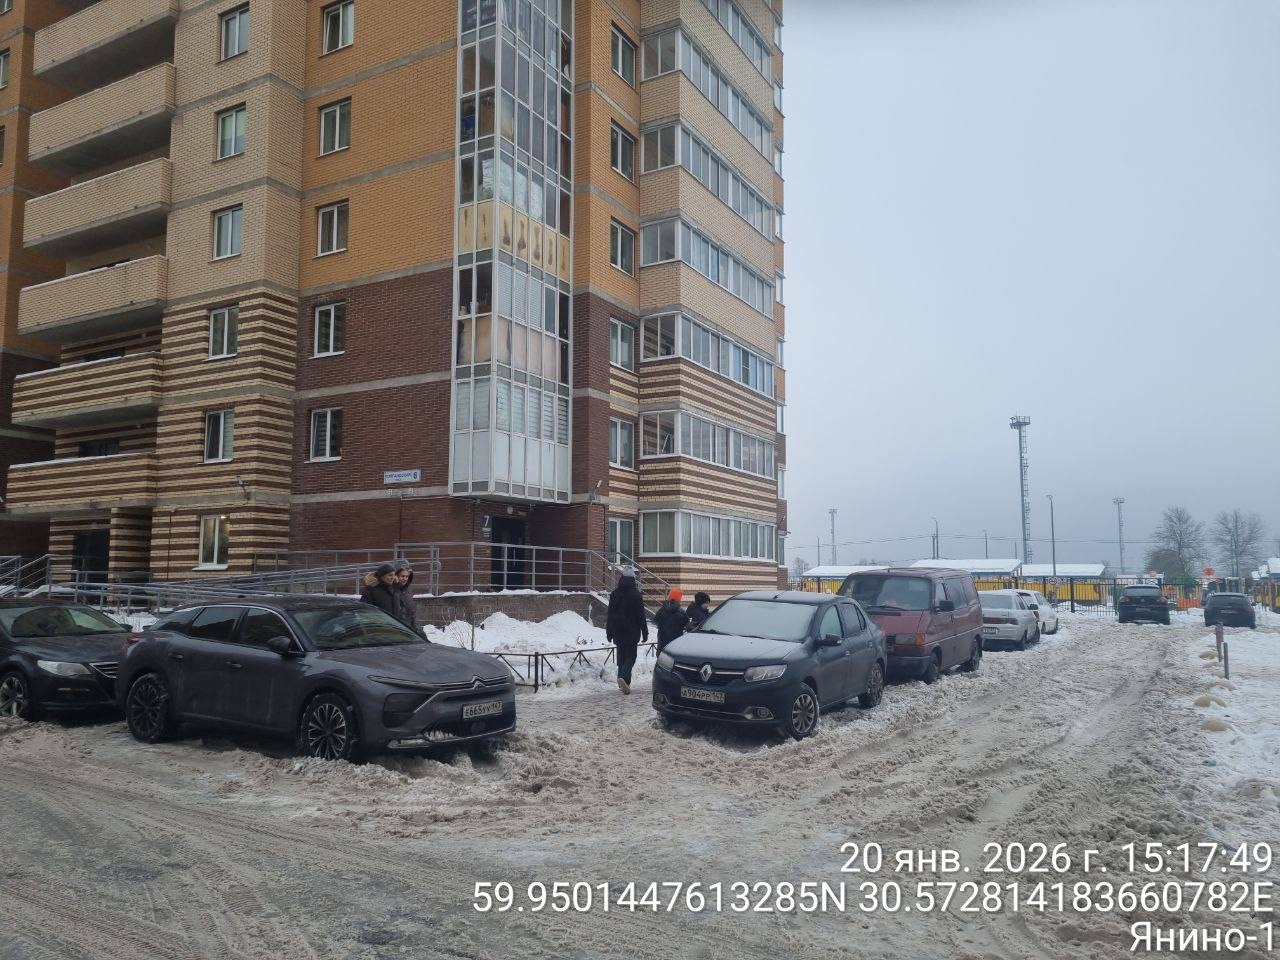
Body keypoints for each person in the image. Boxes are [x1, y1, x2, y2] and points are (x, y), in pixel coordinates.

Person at [605, 566, 648, 694]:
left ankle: (625, 683)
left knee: (621, 656)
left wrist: (609, 631)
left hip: (617, 630)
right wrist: (645, 631)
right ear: (633, 580)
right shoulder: (636, 595)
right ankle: (623, 677)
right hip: (632, 631)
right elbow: (641, 615)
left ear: (621, 579)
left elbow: (610, 614)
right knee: (631, 657)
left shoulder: (615, 594)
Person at [655, 589, 688, 653]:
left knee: (662, 654)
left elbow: (656, 620)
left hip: (662, 640)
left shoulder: (662, 610)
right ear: (679, 599)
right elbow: (687, 624)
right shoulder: (682, 612)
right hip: (675, 641)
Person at [392, 560, 418, 632]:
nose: (405, 579)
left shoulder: (408, 589)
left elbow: (411, 611)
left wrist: (415, 628)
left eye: (407, 576)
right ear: (396, 576)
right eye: (402, 576)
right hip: (396, 628)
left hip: (408, 628)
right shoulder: (391, 589)